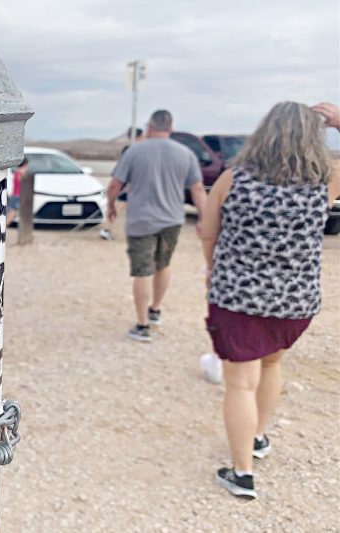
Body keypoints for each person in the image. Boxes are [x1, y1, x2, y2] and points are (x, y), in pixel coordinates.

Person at [200, 101, 340, 500]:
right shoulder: (325, 181)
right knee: (273, 363)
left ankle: (242, 473)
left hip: (237, 298)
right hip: (295, 301)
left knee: (240, 384)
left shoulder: (233, 178)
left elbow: (207, 231)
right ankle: (258, 436)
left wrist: (214, 268)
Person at [107, 110, 207, 341]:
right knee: (163, 265)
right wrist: (203, 217)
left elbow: (115, 184)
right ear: (170, 128)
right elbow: (198, 189)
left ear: (150, 127)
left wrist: (111, 205)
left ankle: (142, 325)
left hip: (141, 220)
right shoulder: (186, 153)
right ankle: (155, 310)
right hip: (172, 219)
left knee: (142, 271)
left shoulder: (135, 151)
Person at [100, 127, 145, 241]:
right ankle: (106, 230)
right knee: (118, 206)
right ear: (138, 136)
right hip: (128, 185)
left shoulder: (139, 149)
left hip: (135, 184)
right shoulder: (130, 149)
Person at [6, 157, 29, 227]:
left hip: (16, 195)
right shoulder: (19, 173)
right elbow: (21, 181)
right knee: (13, 213)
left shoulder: (17, 173)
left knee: (14, 213)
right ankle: (4, 227)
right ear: (25, 164)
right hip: (17, 195)